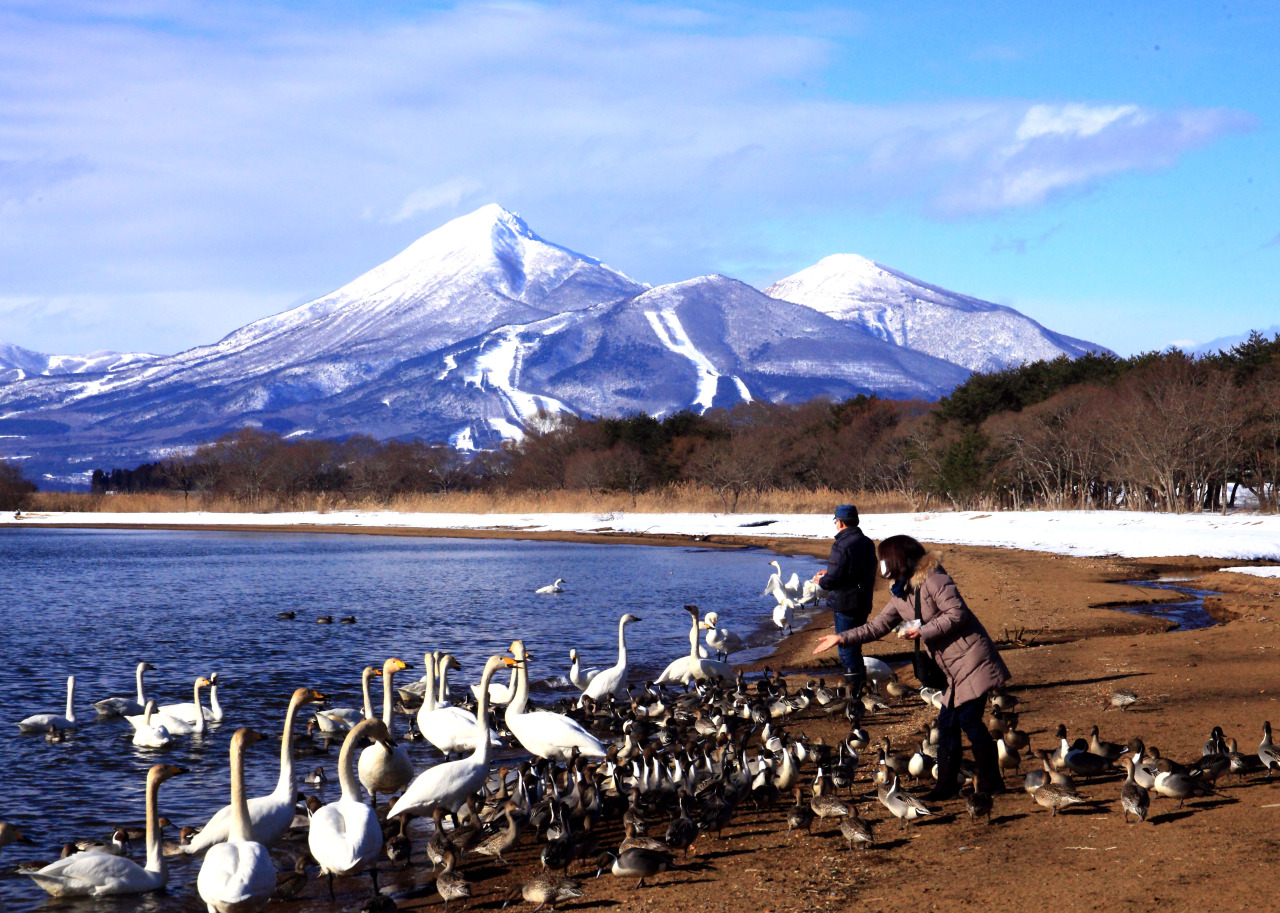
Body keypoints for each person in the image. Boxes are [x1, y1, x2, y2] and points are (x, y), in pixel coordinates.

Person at [811, 534, 1010, 801]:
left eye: (884, 559)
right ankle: (947, 787)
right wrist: (841, 637)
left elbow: (957, 613)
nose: (881, 566)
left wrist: (922, 630)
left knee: (969, 722)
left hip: (972, 658)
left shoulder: (934, 579)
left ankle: (989, 783)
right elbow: (878, 626)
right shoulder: (901, 592)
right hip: (953, 667)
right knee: (948, 725)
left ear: (897, 560)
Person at [811, 504, 878, 697]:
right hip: (862, 601)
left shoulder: (841, 544)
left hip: (845, 604)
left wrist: (821, 580)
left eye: (835, 521)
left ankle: (855, 694)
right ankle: (861, 690)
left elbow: (833, 580)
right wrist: (830, 571)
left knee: (846, 647)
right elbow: (858, 571)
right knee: (855, 643)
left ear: (839, 522)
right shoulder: (866, 542)